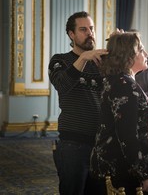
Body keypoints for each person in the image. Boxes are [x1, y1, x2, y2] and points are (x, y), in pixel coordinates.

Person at [90, 32, 148, 195]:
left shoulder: (121, 80)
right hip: (122, 171)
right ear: (129, 56)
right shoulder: (124, 85)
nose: (146, 55)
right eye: (142, 50)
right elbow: (127, 136)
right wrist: (145, 174)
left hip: (123, 166)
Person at [48, 11, 108, 195]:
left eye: (91, 28)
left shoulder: (103, 63)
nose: (90, 33)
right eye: (83, 29)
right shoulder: (60, 60)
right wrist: (83, 58)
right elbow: (62, 85)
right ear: (71, 34)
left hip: (101, 144)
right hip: (73, 144)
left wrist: (120, 45)